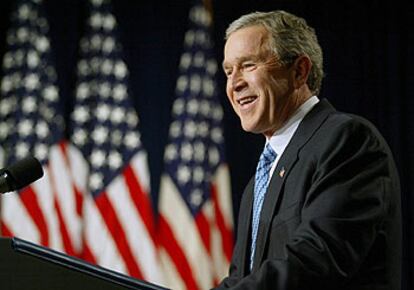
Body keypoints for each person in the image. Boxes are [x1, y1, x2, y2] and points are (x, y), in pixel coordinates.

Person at [215, 10, 401, 290]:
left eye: (249, 65)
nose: (234, 83)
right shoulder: (258, 182)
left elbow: (316, 260)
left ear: (299, 71)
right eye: (229, 71)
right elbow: (241, 279)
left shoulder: (346, 140)